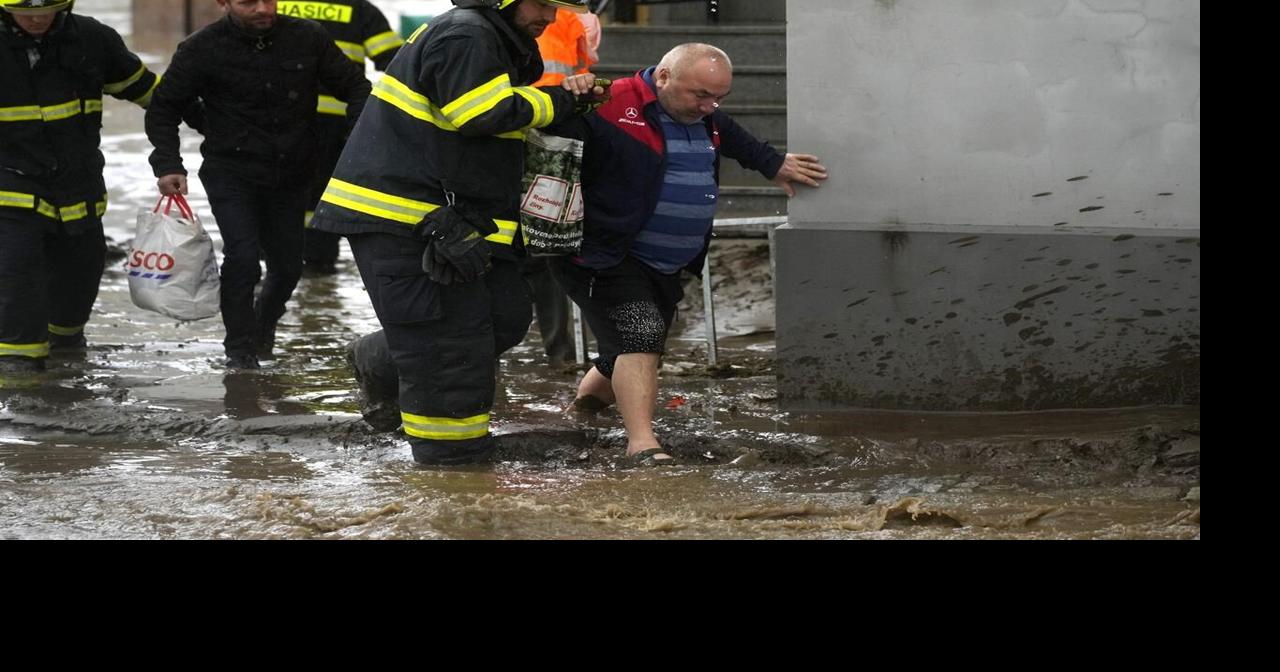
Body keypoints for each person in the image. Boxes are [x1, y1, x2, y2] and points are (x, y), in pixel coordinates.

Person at [308, 0, 606, 466]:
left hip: (450, 218)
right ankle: (452, 467)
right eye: (542, 4)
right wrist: (561, 100)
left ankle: (380, 357)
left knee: (503, 317)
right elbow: (478, 114)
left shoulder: (487, 39)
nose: (550, 18)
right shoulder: (465, 34)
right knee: (450, 346)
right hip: (409, 221)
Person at [548, 43, 828, 464]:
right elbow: (536, 128)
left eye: (719, 98)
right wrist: (567, 93)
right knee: (640, 334)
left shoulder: (706, 116)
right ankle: (642, 446)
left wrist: (774, 164)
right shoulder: (608, 102)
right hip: (604, 254)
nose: (709, 106)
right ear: (663, 76)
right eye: (700, 95)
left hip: (664, 264)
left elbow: (735, 138)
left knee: (630, 348)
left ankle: (583, 411)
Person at [146, 0, 370, 370]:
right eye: (248, 2)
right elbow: (165, 107)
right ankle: (239, 350)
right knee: (243, 258)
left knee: (288, 267)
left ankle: (263, 326)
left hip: (294, 171)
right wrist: (169, 164)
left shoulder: (307, 37)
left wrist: (353, 143)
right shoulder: (202, 47)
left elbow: (358, 87)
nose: (262, 8)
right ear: (224, 3)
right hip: (231, 172)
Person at [0, 0, 162, 373]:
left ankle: (67, 361)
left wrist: (227, 124)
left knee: (82, 276)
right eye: (26, 11)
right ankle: (19, 397)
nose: (39, 18)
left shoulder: (91, 39)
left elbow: (153, 94)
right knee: (17, 276)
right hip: (9, 186)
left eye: (50, 8)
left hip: (78, 189)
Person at [275, 0, 404, 275]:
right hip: (333, 121)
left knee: (277, 189)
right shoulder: (358, 8)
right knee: (324, 192)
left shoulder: (270, 5)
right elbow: (396, 61)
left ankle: (277, 257)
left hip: (275, 120)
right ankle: (318, 263)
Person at [522, 5, 598, 368]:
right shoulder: (567, 17)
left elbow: (581, 72)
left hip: (537, 132)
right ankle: (564, 355)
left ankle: (562, 353)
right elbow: (581, 70)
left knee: (545, 250)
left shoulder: (565, 17)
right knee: (547, 249)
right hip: (547, 135)